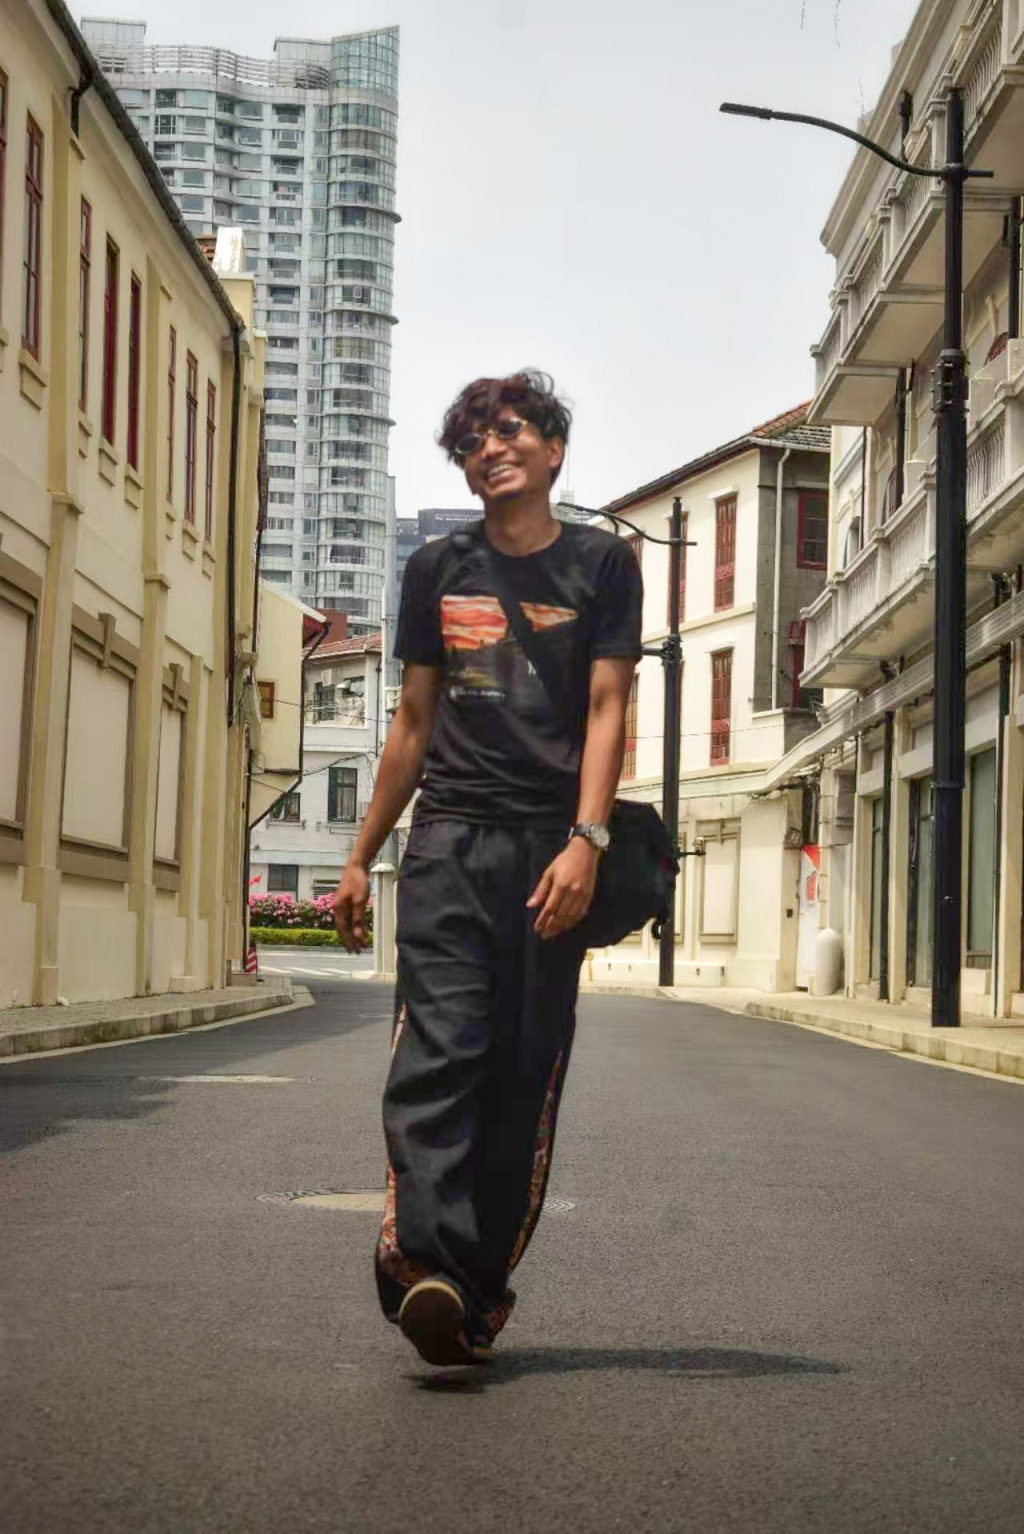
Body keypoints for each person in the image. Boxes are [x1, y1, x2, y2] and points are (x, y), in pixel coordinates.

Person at [332, 370, 642, 1366]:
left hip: (550, 850)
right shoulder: (435, 568)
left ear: (552, 450)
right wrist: (360, 856)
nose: (490, 447)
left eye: (510, 429)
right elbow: (412, 721)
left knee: (520, 1071)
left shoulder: (602, 564)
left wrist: (587, 841)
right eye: (472, 440)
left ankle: (469, 1292)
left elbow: (608, 709)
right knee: (439, 1052)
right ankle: (426, 1263)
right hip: (450, 841)